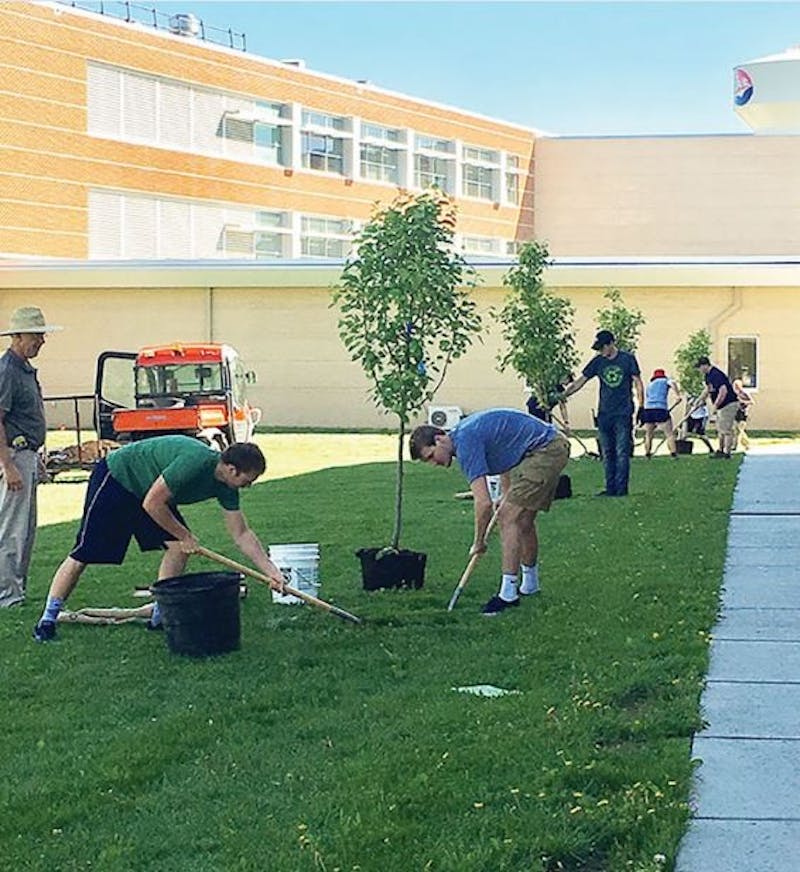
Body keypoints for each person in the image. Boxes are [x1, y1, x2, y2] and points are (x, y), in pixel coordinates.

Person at [32, 435, 286, 642]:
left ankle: (161, 614)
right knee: (85, 552)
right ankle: (48, 619)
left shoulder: (227, 487)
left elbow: (242, 534)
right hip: (118, 478)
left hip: (150, 492)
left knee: (177, 548)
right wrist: (185, 534)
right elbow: (153, 503)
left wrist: (270, 571)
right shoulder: (195, 461)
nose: (248, 486)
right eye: (247, 480)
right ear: (231, 469)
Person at [409, 408, 570, 616]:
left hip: (546, 450)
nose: (434, 463)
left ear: (439, 439)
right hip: (546, 447)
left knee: (507, 517)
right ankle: (530, 584)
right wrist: (505, 492)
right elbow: (504, 452)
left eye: (431, 456)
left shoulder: (465, 442)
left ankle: (508, 595)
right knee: (523, 520)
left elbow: (482, 503)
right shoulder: (464, 436)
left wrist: (479, 542)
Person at [0, 306, 62, 608]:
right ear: (18, 336)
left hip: (26, 453)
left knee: (25, 528)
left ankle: (16, 589)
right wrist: (8, 464)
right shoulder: (8, 370)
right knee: (12, 528)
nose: (41, 341)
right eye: (36, 335)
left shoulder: (22, 368)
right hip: (13, 455)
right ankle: (7, 594)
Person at [559, 330, 643, 497]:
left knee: (621, 451)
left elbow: (638, 383)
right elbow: (580, 382)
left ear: (611, 344)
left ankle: (621, 490)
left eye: (603, 347)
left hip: (623, 412)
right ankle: (610, 488)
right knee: (607, 451)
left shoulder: (627, 359)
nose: (601, 352)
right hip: (604, 413)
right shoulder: (598, 362)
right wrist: (562, 396)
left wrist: (642, 406)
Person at [694, 356, 737, 458]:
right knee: (720, 429)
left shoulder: (715, 374)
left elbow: (723, 391)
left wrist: (715, 405)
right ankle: (720, 450)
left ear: (705, 365)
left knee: (726, 430)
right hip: (721, 406)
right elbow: (708, 389)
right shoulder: (708, 376)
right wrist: (699, 401)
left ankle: (727, 453)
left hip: (728, 403)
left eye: (699, 367)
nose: (699, 370)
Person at [638, 368, 682, 458]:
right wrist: (677, 395)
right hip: (661, 408)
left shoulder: (650, 385)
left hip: (648, 409)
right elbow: (672, 383)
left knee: (649, 434)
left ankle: (647, 453)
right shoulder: (665, 380)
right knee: (669, 433)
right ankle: (673, 453)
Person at [732, 377, 754, 451]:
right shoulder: (734, 394)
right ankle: (734, 446)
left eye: (737, 386)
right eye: (735, 386)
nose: (736, 387)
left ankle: (747, 444)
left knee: (740, 430)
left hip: (743, 413)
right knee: (735, 430)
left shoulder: (744, 393)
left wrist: (743, 402)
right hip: (735, 413)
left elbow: (752, 402)